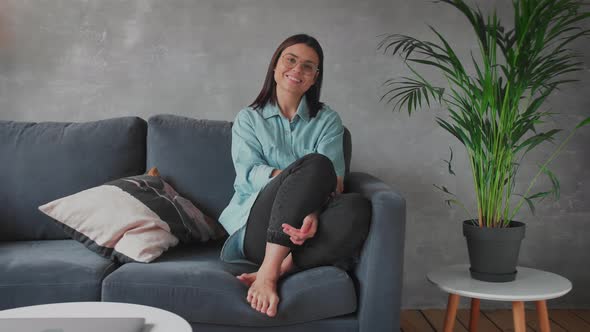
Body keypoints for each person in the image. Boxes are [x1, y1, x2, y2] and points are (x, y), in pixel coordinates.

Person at [218, 34, 371, 318]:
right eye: (290, 60)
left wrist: (311, 211)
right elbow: (249, 174)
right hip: (256, 231)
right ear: (275, 66)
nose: (297, 70)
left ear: (315, 78)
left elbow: (334, 183)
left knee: (357, 207)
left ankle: (276, 269)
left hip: (306, 231)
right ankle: (268, 270)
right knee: (314, 164)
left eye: (308, 66)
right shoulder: (248, 119)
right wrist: (298, 184)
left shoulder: (327, 121)